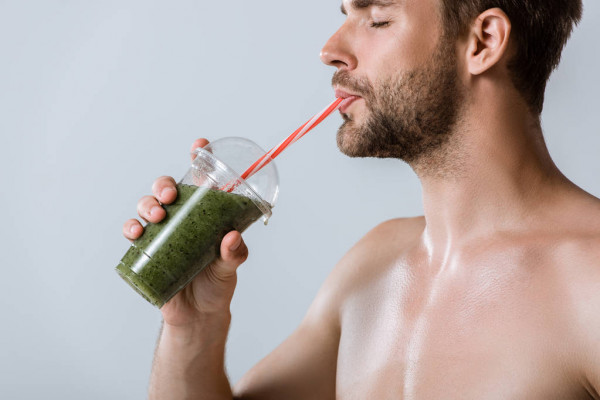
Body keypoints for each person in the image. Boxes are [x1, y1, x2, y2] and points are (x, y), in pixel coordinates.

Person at [123, 0, 600, 398]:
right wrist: (193, 328)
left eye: (378, 19)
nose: (330, 51)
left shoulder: (590, 284)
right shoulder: (374, 263)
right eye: (346, 15)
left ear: (483, 42)